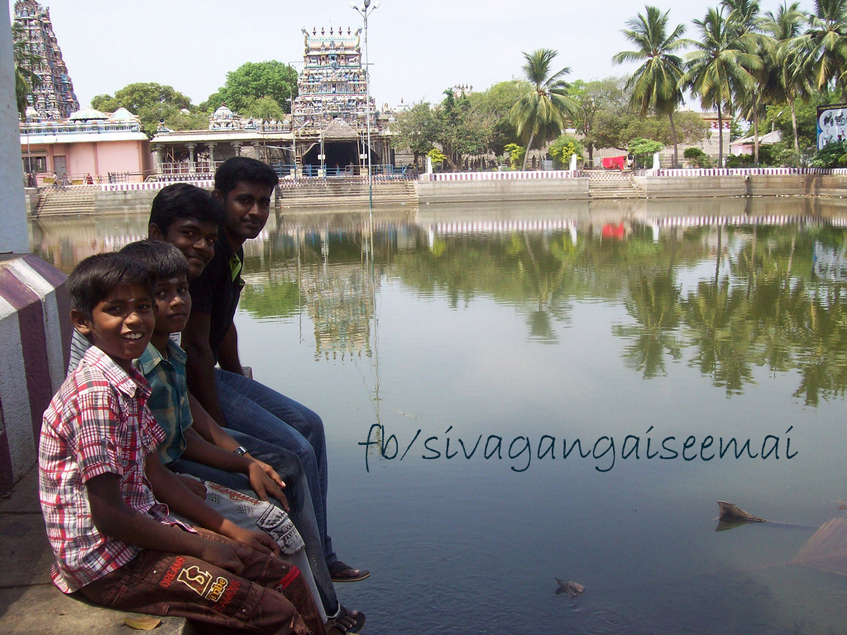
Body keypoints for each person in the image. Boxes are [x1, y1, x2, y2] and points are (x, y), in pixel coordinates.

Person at [39, 252, 324, 635]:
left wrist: (229, 530)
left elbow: (155, 473)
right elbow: (108, 514)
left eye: (142, 306)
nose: (134, 319)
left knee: (277, 573)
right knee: (274, 612)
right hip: (107, 563)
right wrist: (204, 546)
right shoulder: (96, 395)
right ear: (83, 321)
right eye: (116, 310)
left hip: (138, 532)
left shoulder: (127, 379)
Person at [121, 239, 364, 633]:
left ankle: (320, 598)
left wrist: (244, 459)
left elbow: (188, 426)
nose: (177, 302)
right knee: (273, 508)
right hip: (167, 477)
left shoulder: (169, 354)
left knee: (290, 456)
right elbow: (160, 461)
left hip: (177, 461)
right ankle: (321, 610)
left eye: (182, 290)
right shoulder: (135, 373)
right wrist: (240, 469)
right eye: (159, 296)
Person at [183, 157, 368, 583]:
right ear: (219, 200)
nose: (255, 212)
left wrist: (241, 379)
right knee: (296, 452)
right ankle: (320, 582)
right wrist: (217, 418)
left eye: (264, 203)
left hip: (217, 376)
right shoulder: (208, 256)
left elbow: (222, 326)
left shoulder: (230, 250)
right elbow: (194, 345)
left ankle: (324, 548)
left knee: (310, 424)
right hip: (197, 381)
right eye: (244, 200)